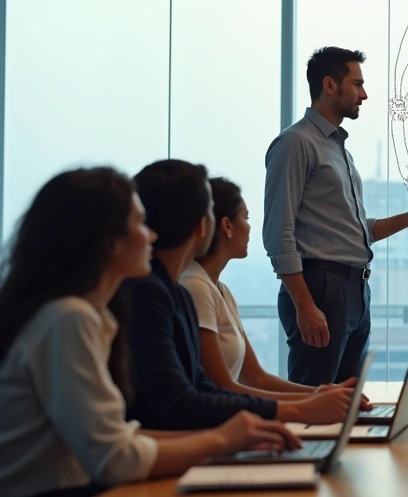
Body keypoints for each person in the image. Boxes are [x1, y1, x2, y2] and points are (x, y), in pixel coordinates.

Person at [0, 168, 300, 497]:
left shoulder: (84, 315)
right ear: (111, 242)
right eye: (141, 224)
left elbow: (122, 437)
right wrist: (221, 440)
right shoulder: (69, 318)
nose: (152, 236)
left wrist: (232, 437)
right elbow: (114, 457)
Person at [112, 159, 353, 430]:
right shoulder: (171, 290)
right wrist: (301, 409)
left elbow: (213, 386)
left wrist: (317, 398)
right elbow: (186, 401)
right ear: (204, 225)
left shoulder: (180, 292)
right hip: (180, 442)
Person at [265, 46, 408, 385]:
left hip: (355, 290)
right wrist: (305, 305)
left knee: (347, 399)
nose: (364, 94)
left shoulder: (338, 149)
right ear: (330, 85)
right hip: (320, 287)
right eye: (357, 84)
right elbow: (277, 231)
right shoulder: (296, 143)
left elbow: (356, 231)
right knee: (314, 399)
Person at [182, 176, 369, 409]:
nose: (250, 227)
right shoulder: (196, 287)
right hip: (216, 424)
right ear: (227, 226)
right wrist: (309, 405)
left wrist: (324, 393)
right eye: (246, 218)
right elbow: (224, 389)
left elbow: (257, 378)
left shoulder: (220, 290)